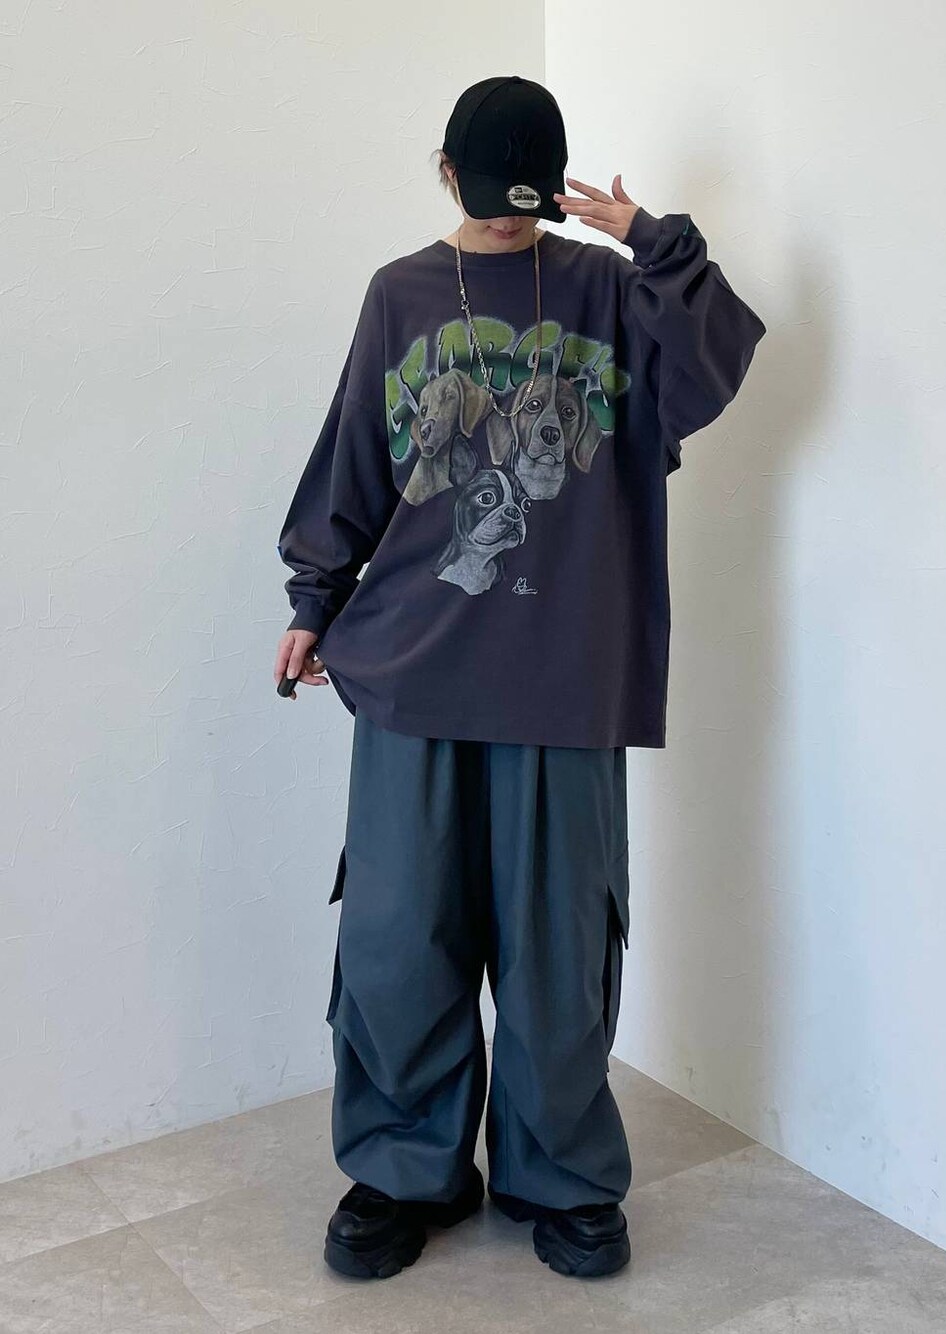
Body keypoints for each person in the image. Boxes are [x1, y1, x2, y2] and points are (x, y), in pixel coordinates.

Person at [274, 75, 766, 1281]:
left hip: (566, 677)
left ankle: (560, 1175)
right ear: (446, 172)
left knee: (558, 950)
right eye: (488, 194)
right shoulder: (399, 294)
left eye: (525, 199)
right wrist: (313, 597)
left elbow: (714, 370)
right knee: (398, 939)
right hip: (412, 671)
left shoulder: (609, 289)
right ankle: (405, 1168)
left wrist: (656, 242)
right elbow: (356, 453)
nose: (505, 217)